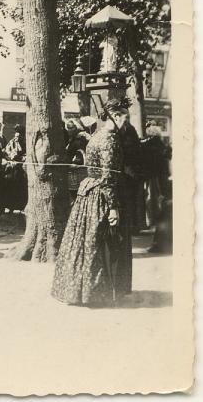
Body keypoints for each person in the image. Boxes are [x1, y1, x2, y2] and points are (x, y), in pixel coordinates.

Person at [52, 97, 132, 306]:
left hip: (88, 192)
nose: (126, 124)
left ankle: (78, 289)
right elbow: (108, 176)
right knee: (101, 243)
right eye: (125, 119)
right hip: (101, 195)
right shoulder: (110, 139)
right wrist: (113, 207)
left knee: (84, 243)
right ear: (115, 117)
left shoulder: (95, 136)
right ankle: (96, 292)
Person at [3, 124, 28, 212]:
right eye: (16, 133)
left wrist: (23, 158)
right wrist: (10, 159)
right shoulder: (12, 141)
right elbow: (6, 152)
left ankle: (20, 206)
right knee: (11, 186)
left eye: (20, 133)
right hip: (13, 168)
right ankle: (10, 206)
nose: (18, 135)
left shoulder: (26, 142)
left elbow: (27, 154)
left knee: (21, 187)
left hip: (22, 168)